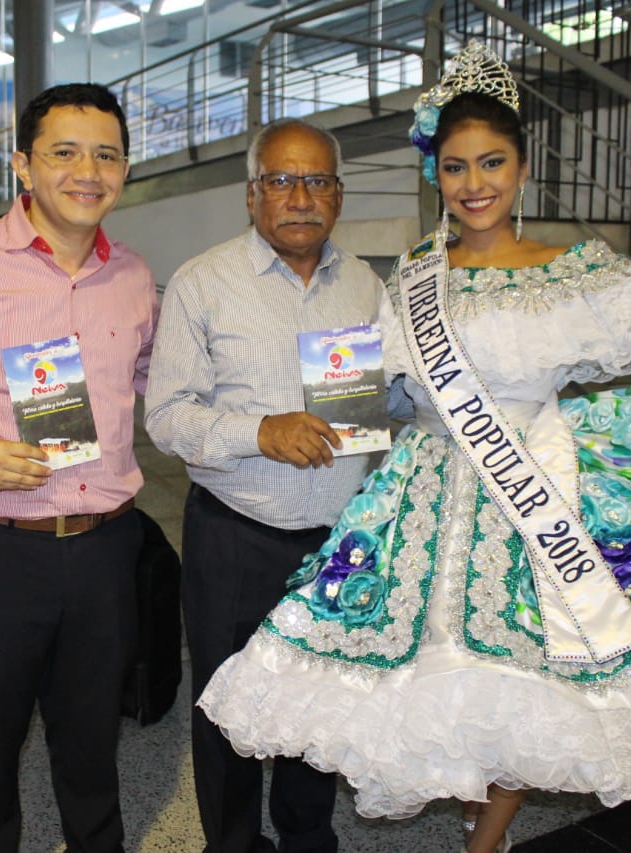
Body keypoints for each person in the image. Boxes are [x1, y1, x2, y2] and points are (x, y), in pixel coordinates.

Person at [196, 40, 631, 853]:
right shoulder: (409, 277)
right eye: (455, 167)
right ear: (434, 176)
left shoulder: (573, 270)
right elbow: (393, 393)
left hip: (534, 480)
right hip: (428, 486)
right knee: (435, 662)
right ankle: (475, 814)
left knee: (534, 663)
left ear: (521, 167)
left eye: (492, 163)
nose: (474, 184)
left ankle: (486, 839)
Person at [0, 83, 157, 852]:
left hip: (107, 545)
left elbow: (144, 380)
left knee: (91, 736)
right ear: (23, 164)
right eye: (65, 152)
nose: (89, 170)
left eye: (107, 153)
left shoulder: (135, 275)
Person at [145, 117, 386, 853]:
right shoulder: (202, 282)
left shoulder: (368, 286)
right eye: (282, 180)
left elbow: (383, 396)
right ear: (253, 195)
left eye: (317, 181)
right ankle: (232, 841)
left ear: (338, 196)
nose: (300, 197)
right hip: (235, 534)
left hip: (338, 540)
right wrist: (260, 431)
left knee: (316, 699)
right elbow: (166, 416)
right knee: (228, 705)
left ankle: (307, 835)